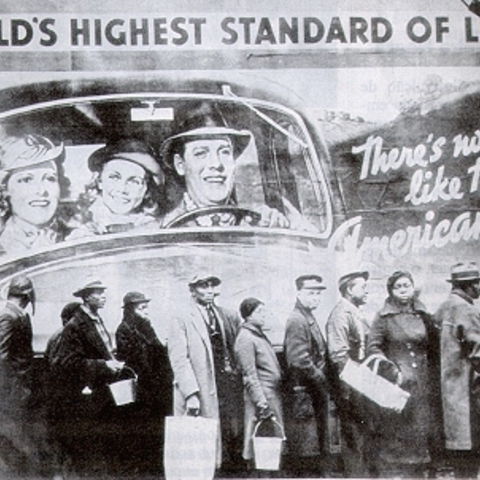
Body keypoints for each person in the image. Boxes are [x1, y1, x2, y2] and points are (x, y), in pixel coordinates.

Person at [160, 101, 310, 230]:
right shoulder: (160, 230)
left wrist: (279, 230)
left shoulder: (256, 222)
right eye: (201, 153)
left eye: (224, 152)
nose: (216, 164)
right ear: (180, 165)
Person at [167, 272, 244, 474]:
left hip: (220, 385)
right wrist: (191, 394)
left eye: (212, 285)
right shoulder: (181, 316)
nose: (210, 290)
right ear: (192, 290)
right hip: (198, 387)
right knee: (197, 446)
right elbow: (179, 359)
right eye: (203, 286)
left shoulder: (220, 314)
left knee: (222, 436)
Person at [367, 270, 440, 478]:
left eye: (406, 285)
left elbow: (433, 344)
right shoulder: (383, 317)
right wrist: (392, 370)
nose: (403, 291)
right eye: (398, 287)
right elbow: (373, 347)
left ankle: (421, 471)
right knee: (402, 430)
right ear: (390, 291)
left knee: (422, 427)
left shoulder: (422, 314)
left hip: (423, 380)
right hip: (399, 381)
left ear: (412, 287)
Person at [51, 280, 128, 477]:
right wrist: (104, 365)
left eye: (103, 292)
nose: (103, 296)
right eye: (98, 293)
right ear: (86, 297)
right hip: (88, 397)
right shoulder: (75, 325)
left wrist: (113, 361)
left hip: (103, 393)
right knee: (92, 450)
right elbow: (68, 363)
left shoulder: (96, 319)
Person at [115, 291, 173, 476]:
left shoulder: (146, 327)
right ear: (131, 310)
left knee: (154, 430)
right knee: (141, 431)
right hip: (141, 389)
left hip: (154, 388)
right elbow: (135, 360)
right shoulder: (124, 330)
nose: (146, 312)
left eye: (146, 308)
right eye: (142, 308)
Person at [0, 275, 51, 477]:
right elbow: (1, 357)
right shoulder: (8, 316)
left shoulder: (17, 315)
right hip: (14, 391)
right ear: (27, 295)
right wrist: (14, 388)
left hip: (21, 388)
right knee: (15, 435)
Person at [326, 270, 375, 477]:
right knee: (353, 435)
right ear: (349, 290)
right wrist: (351, 389)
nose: (367, 291)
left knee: (362, 434)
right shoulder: (340, 315)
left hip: (361, 384)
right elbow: (339, 356)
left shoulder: (354, 312)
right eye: (362, 287)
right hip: (351, 385)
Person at [435, 262, 480, 478]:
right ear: (468, 285)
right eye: (477, 283)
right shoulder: (467, 309)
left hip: (448, 388)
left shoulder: (444, 307)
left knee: (458, 454)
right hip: (467, 389)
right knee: (471, 452)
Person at [283, 274, 330, 476]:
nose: (315, 298)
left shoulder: (307, 317)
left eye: (318, 294)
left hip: (311, 390)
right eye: (311, 293)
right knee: (305, 447)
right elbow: (298, 359)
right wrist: (320, 377)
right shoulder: (297, 319)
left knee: (312, 443)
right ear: (299, 293)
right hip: (304, 390)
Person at [71, 138, 163, 236]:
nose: (122, 189)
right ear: (99, 181)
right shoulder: (79, 227)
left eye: (134, 181)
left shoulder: (156, 230)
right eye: (114, 177)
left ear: (146, 190)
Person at [0, 134, 71, 255]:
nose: (41, 190)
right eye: (26, 180)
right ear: (4, 190)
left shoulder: (79, 238)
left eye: (50, 178)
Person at [234, 298, 283, 470]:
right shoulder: (246, 338)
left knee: (270, 444)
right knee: (259, 443)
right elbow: (249, 376)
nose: (264, 315)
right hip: (261, 397)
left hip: (270, 395)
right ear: (248, 316)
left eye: (264, 311)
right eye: (259, 312)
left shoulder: (257, 334)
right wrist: (262, 404)